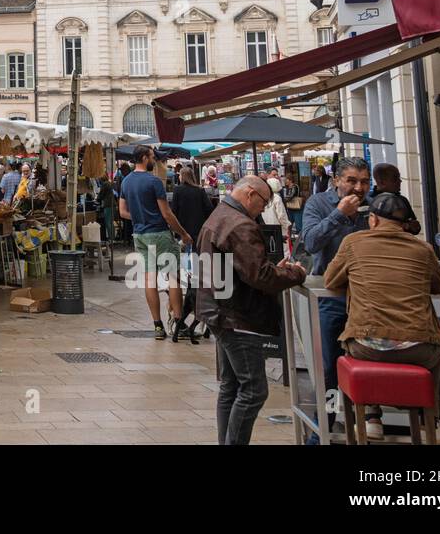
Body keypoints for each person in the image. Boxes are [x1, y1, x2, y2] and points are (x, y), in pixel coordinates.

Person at [324, 192, 440, 441]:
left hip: (366, 345)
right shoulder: (423, 249)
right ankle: (429, 420)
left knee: (353, 346)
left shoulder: (353, 243)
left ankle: (372, 417)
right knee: (435, 358)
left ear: (373, 220)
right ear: (403, 224)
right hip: (418, 348)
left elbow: (330, 280)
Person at [197, 176, 307, 444]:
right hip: (237, 316)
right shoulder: (240, 224)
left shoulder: (219, 215)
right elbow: (259, 276)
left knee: (231, 386)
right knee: (254, 390)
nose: (264, 208)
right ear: (249, 194)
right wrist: (294, 274)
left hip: (218, 310)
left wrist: (274, 269)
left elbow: (244, 268)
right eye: (264, 201)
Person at [301, 156, 372, 416]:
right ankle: (326, 424)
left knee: (367, 361)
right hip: (330, 297)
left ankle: (365, 418)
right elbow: (310, 243)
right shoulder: (318, 203)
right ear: (336, 181)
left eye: (364, 182)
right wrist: (339, 214)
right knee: (329, 368)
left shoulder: (374, 207)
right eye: (351, 181)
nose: (358, 188)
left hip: (368, 298)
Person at [118, 145, 193, 340]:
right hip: (159, 233)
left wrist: (140, 217)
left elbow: (122, 212)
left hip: (139, 235)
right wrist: (183, 234)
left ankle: (158, 326)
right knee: (173, 278)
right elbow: (167, 214)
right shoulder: (154, 182)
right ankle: (178, 322)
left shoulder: (125, 182)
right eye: (152, 157)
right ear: (144, 158)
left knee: (149, 280)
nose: (154, 160)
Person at [171, 166, 216, 341]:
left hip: (184, 236)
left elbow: (173, 212)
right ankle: (197, 295)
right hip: (199, 236)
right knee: (197, 269)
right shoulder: (200, 191)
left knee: (185, 270)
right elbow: (209, 211)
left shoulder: (178, 191)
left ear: (182, 176)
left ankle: (189, 294)